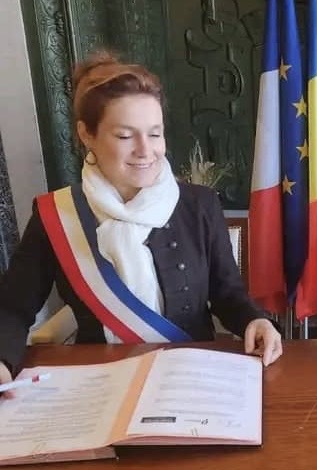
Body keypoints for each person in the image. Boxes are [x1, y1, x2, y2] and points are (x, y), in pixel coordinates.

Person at [0, 52, 282, 395]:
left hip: (189, 379)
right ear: (87, 134)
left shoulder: (199, 205)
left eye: (155, 134)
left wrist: (256, 319)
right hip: (100, 382)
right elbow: (12, 308)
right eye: (124, 136)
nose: (145, 150)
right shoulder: (55, 214)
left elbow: (228, 294)